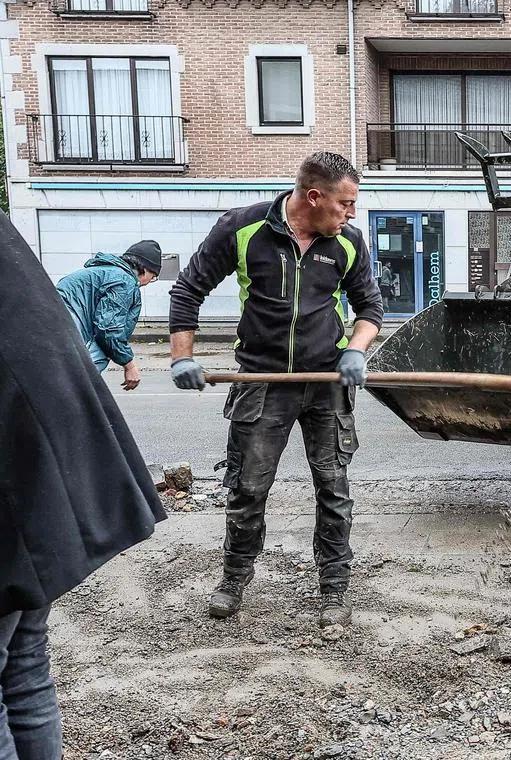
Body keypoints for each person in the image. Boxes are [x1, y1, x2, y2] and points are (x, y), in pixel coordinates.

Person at [167, 152, 384, 628]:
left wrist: (356, 350)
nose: (351, 214)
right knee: (248, 486)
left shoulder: (348, 242)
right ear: (314, 197)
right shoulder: (242, 230)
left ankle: (334, 588)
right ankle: (234, 578)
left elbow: (370, 307)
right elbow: (187, 290)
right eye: (345, 203)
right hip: (262, 382)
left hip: (327, 382)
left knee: (333, 487)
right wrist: (182, 355)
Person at [1, 212, 166, 757]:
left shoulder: (94, 270)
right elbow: (114, 328)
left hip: (22, 429)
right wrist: (131, 361)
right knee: (24, 665)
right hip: (42, 424)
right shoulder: (120, 281)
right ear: (145, 271)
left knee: (20, 661)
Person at [55, 240, 163, 390]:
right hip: (66, 326)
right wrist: (129, 365)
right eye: (153, 276)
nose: (151, 281)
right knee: (96, 357)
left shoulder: (103, 272)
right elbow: (108, 329)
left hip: (51, 320)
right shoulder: (125, 281)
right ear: (143, 268)